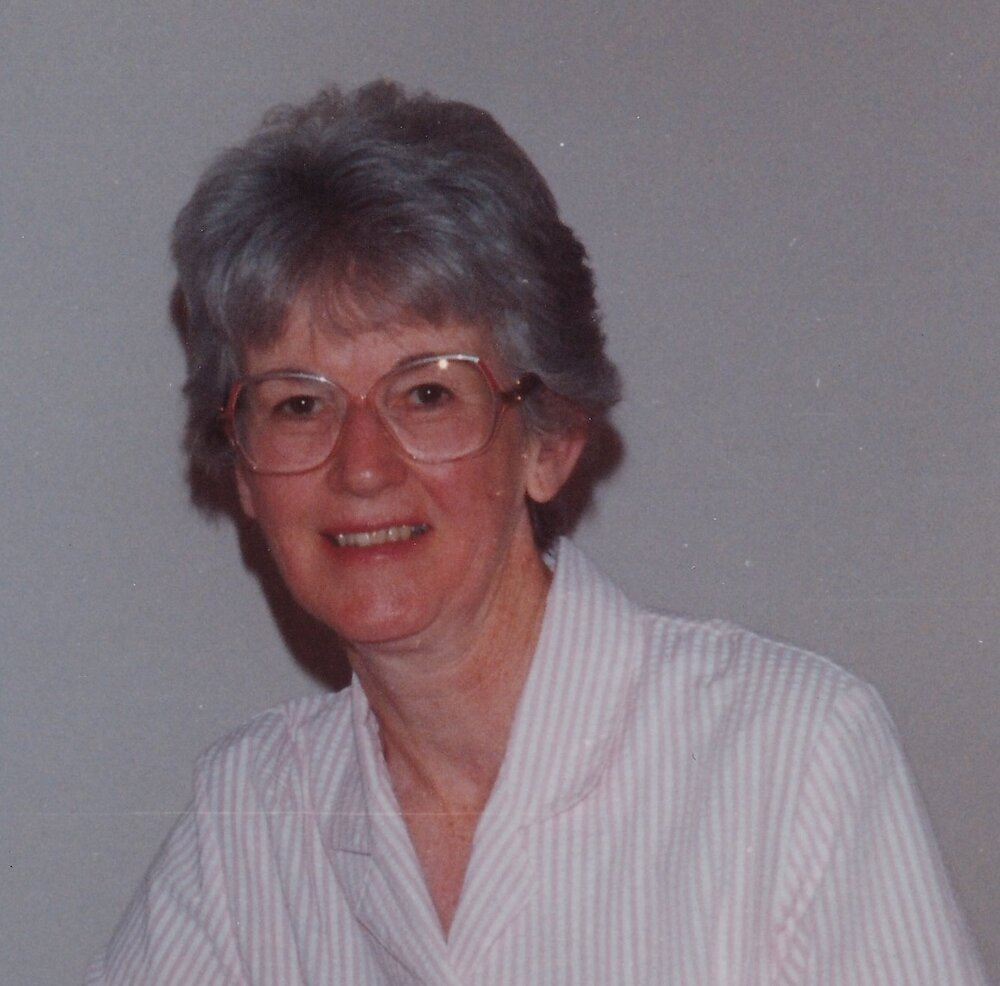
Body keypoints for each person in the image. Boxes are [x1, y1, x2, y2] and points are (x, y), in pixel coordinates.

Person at [85, 81, 988, 985]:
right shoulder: (250, 820)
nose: (361, 465)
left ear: (549, 442)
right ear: (244, 471)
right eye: (297, 404)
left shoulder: (792, 757)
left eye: (427, 393)